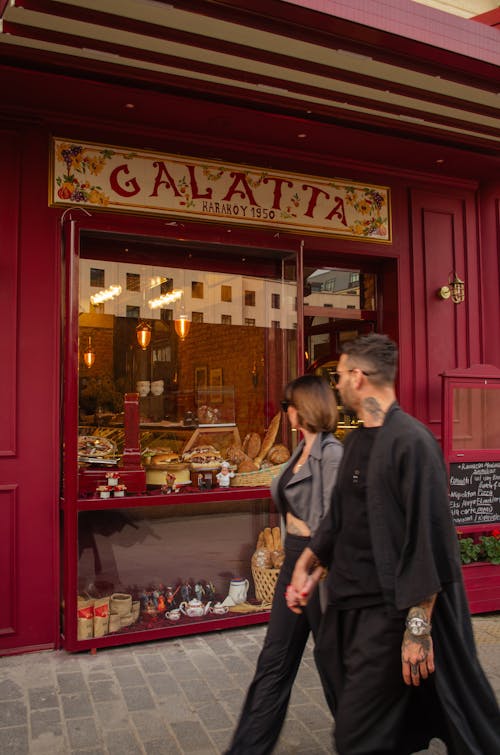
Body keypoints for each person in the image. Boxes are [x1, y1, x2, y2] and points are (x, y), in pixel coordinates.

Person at [287, 333, 500, 755]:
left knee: (355, 736)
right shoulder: (357, 441)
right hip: (347, 610)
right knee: (355, 706)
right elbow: (340, 519)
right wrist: (309, 562)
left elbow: (430, 540)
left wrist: (416, 630)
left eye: (341, 375)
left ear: (359, 377)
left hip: (387, 615)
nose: (337, 386)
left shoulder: (413, 443)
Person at [226, 375, 343, 754]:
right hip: (293, 558)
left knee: (335, 668)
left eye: (288, 405)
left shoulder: (332, 453)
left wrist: (309, 571)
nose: (285, 412)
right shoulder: (299, 451)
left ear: (304, 407)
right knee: (274, 660)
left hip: (318, 568)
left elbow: (333, 524)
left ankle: (369, 741)